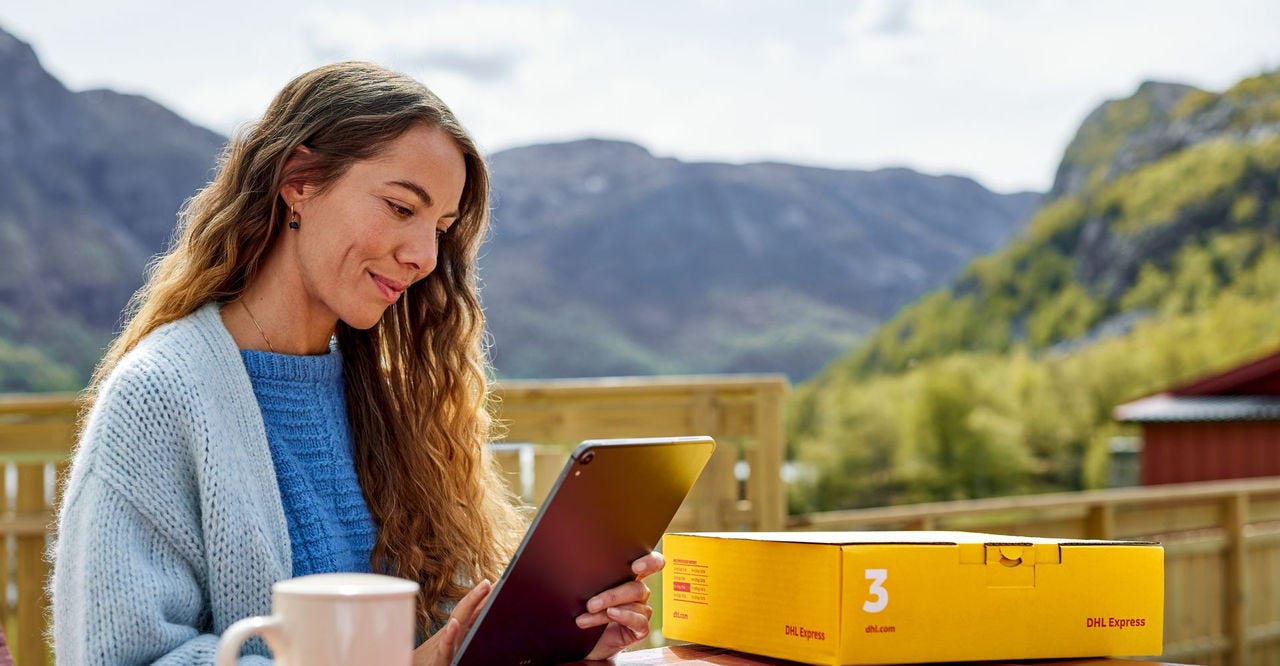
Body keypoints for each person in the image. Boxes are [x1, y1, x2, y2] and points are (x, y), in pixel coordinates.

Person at [50, 61, 661, 665]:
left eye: (441, 228)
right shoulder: (160, 396)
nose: (423, 256)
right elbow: (121, 658)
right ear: (299, 180)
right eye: (401, 208)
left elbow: (440, 635)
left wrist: (548, 635)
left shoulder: (392, 396)